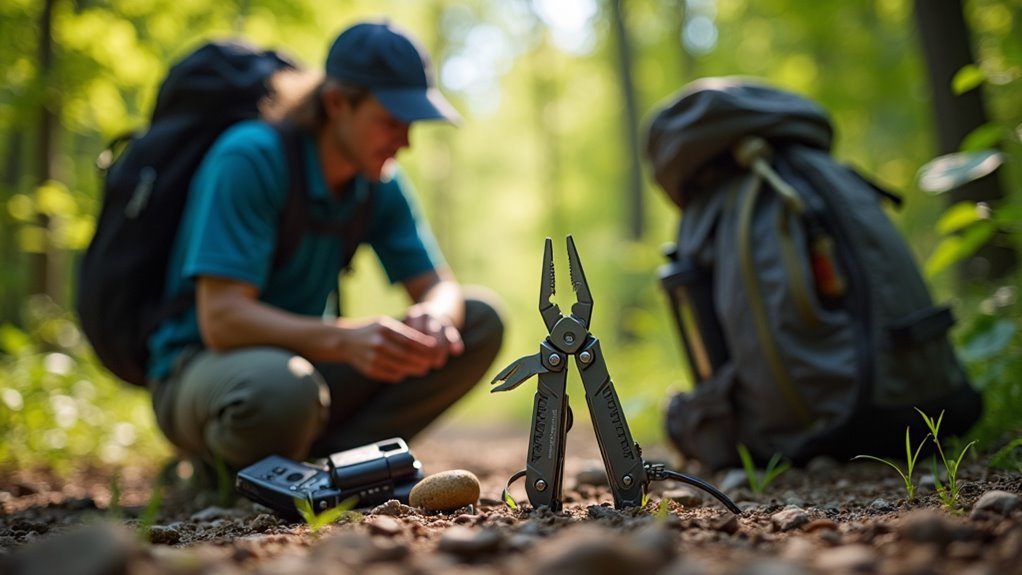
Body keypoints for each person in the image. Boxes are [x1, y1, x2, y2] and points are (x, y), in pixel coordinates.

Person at [146, 21, 505, 472]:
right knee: (281, 391)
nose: (406, 141)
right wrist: (345, 339)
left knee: (478, 320)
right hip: (203, 371)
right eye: (391, 121)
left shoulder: (378, 180)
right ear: (336, 102)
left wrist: (434, 318)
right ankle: (222, 465)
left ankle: (333, 465)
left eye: (411, 123)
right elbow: (221, 320)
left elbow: (440, 285)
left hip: (303, 366)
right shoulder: (251, 158)